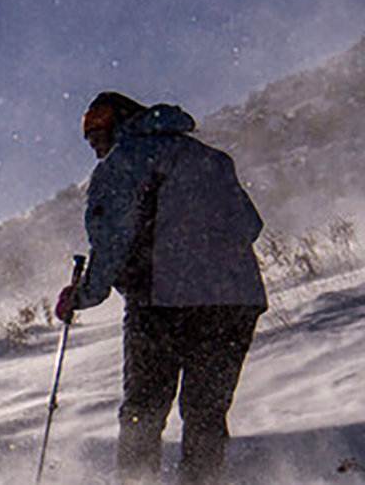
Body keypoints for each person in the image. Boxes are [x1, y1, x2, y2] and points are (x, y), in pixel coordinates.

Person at [55, 92, 267, 485]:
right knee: (205, 413)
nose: (94, 141)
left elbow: (112, 241)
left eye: (97, 127)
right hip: (235, 301)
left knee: (143, 410)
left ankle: (136, 482)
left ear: (121, 120)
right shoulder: (213, 159)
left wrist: (82, 296)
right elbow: (251, 226)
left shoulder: (123, 163)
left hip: (164, 301)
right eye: (88, 133)